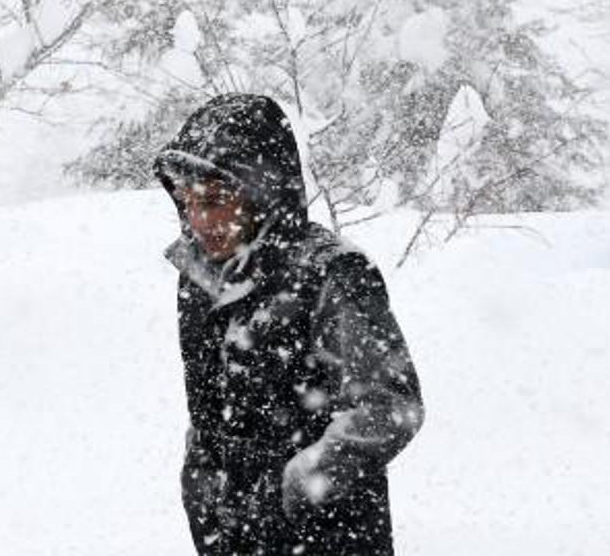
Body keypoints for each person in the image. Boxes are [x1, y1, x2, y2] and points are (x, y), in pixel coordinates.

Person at [152, 93, 424, 555]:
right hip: (229, 540)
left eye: (217, 199)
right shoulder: (199, 278)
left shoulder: (331, 274)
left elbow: (390, 406)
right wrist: (200, 484)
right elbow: (205, 412)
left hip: (328, 538)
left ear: (262, 190)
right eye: (188, 201)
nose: (200, 219)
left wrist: (300, 483)